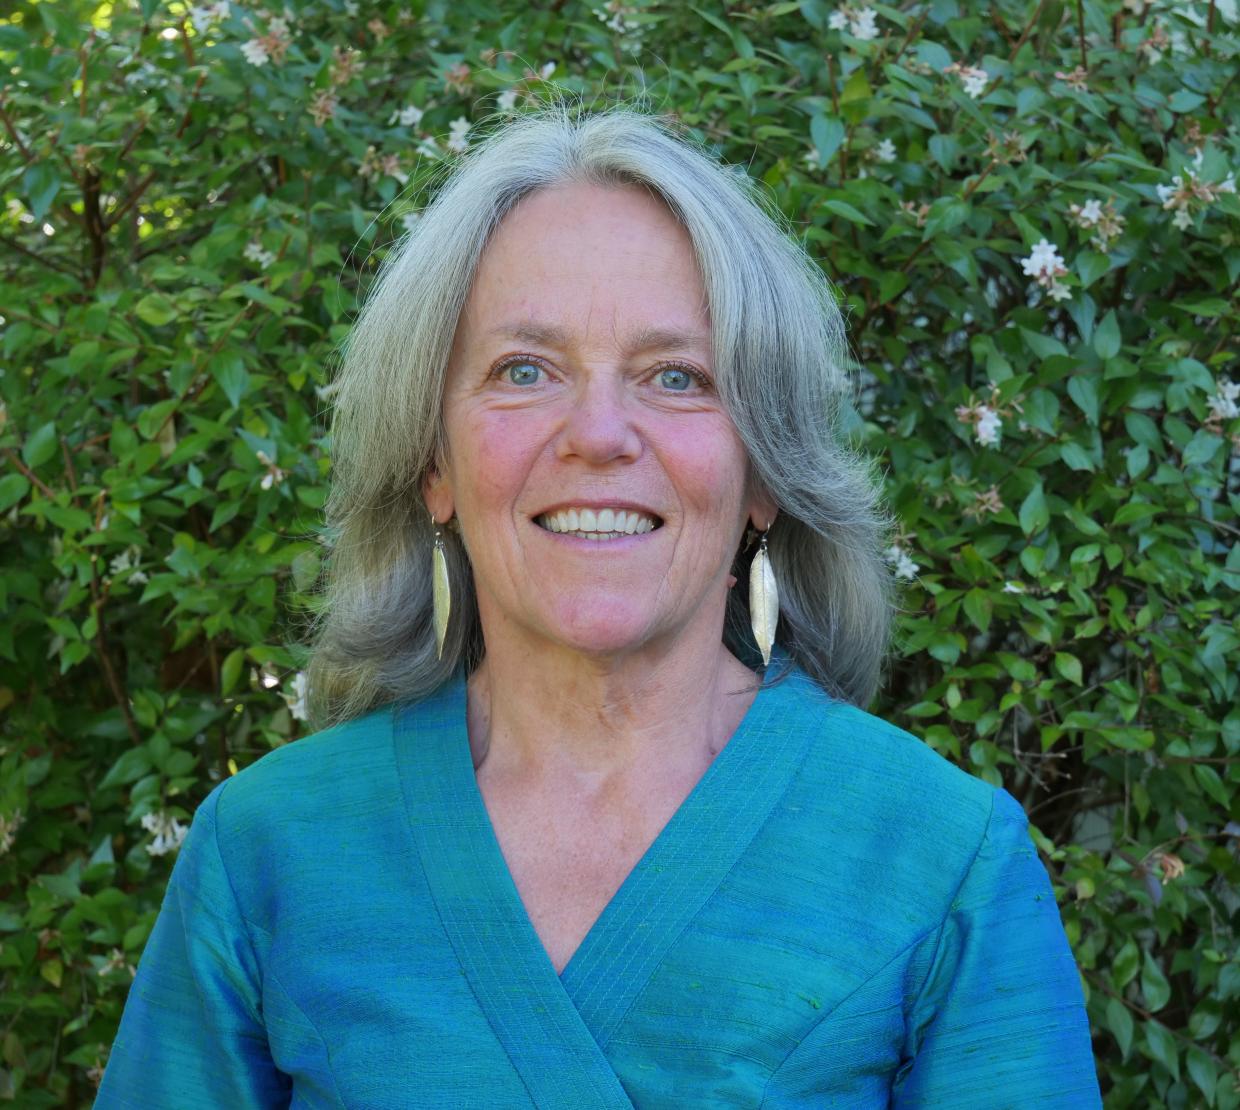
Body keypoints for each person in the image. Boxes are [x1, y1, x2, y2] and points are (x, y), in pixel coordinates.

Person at [97, 106, 1101, 1108]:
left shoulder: (942, 858)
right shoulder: (267, 851)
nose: (600, 433)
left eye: (677, 376)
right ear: (432, 464)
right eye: (523, 370)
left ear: (763, 475)